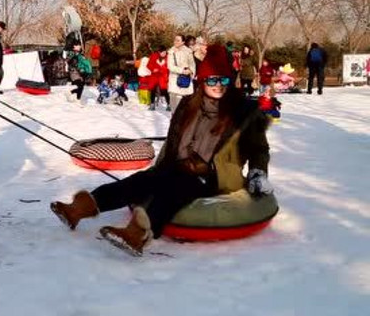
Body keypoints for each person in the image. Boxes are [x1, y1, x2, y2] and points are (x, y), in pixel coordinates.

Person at [50, 45, 272, 256]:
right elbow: (173, 140)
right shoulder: (188, 105)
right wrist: (161, 165)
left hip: (214, 174)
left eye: (223, 79)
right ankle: (78, 209)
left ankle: (136, 235)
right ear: (202, 80)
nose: (218, 85)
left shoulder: (245, 112)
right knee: (141, 181)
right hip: (179, 165)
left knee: (174, 189)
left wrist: (258, 173)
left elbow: (259, 149)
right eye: (212, 79)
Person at [167, 34, 196, 112]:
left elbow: (192, 64)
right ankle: (174, 120)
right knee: (174, 106)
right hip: (174, 80)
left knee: (184, 104)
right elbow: (170, 66)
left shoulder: (188, 52)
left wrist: (191, 71)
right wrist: (182, 71)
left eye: (178, 40)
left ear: (183, 42)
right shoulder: (171, 52)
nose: (175, 42)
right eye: (175, 40)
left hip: (186, 80)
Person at [145, 46, 170, 110]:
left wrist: (164, 70)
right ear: (159, 52)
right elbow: (149, 65)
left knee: (164, 90)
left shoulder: (168, 57)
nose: (164, 53)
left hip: (163, 76)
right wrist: (153, 69)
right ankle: (152, 104)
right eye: (163, 52)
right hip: (154, 76)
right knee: (153, 90)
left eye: (165, 52)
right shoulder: (154, 56)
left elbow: (169, 67)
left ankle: (168, 104)